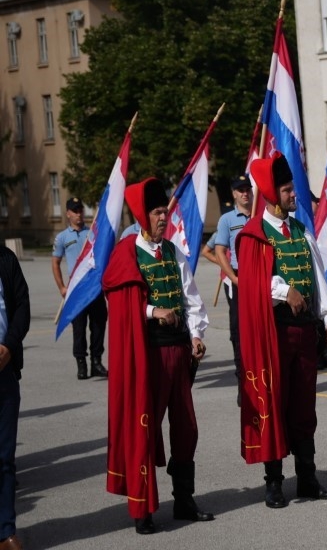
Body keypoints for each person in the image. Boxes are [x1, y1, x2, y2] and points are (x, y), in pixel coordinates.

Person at [102, 178, 213, 534]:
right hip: (147, 356)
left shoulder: (174, 251)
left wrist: (196, 335)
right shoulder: (126, 252)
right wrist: (154, 312)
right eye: (157, 212)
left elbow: (191, 297)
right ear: (142, 215)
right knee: (145, 430)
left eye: (165, 211)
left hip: (178, 353)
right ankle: (143, 509)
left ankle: (184, 499)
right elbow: (120, 303)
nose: (164, 218)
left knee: (186, 428)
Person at [237, 154, 327, 508]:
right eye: (286, 189)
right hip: (274, 334)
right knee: (275, 405)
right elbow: (252, 284)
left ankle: (307, 478)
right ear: (270, 195)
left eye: (292, 188)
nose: (293, 194)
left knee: (303, 407)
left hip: (304, 332)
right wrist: (284, 291)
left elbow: (317, 278)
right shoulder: (254, 235)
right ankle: (274, 482)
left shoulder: (300, 231)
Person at [52, 197, 107, 380]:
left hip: (94, 288)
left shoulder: (92, 233)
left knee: (98, 325)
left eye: (80, 210)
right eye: (75, 211)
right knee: (79, 329)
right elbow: (55, 262)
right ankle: (81, 364)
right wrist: (61, 287)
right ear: (68, 213)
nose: (78, 214)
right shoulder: (62, 238)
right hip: (76, 290)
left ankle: (96, 362)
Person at [209, 175, 253, 399]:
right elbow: (218, 251)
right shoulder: (227, 220)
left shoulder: (260, 215)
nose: (245, 193)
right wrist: (233, 279)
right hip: (239, 277)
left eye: (247, 189)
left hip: (261, 278)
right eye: (240, 190)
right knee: (239, 332)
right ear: (234, 194)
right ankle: (242, 384)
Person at [1, 243, 30, 550]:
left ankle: (6, 530)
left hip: (4, 369)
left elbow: (22, 306)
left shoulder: (6, 259)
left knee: (4, 457)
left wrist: (9, 345)